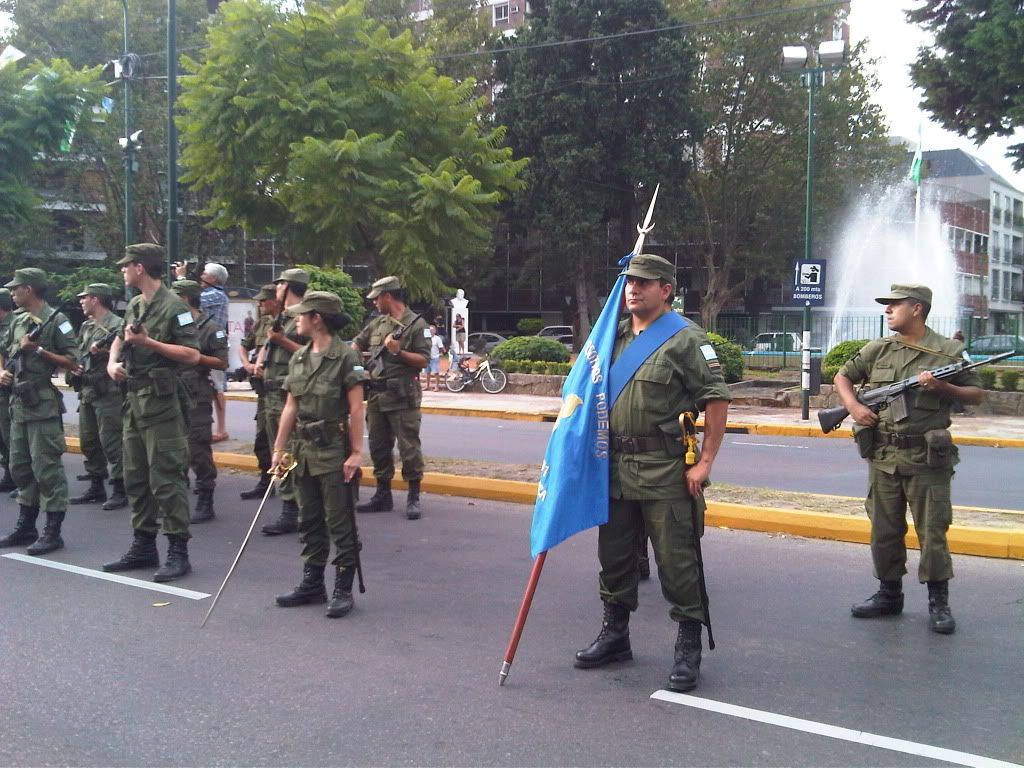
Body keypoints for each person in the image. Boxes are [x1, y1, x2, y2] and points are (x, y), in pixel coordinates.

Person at [574, 254, 730, 694]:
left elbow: (716, 400)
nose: (633, 290)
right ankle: (615, 634)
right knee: (615, 558)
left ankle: (687, 646)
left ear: (666, 290)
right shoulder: (613, 338)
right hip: (616, 469)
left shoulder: (686, 340)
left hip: (666, 470)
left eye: (644, 283)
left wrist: (705, 463)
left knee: (677, 562)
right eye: (628, 282)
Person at [834, 283, 984, 635]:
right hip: (884, 456)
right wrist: (854, 406)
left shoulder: (947, 352)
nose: (887, 311)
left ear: (916, 309)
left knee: (932, 532)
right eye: (886, 306)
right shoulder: (878, 350)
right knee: (884, 530)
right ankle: (889, 594)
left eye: (894, 305)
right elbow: (843, 376)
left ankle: (938, 601)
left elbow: (976, 394)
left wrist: (943, 388)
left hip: (927, 459)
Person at [103, 243, 200, 583]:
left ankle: (178, 552)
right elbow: (120, 338)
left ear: (140, 267)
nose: (123, 271)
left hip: (161, 405)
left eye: (126, 266)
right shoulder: (134, 304)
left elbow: (192, 355)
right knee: (136, 477)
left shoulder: (176, 307)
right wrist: (113, 361)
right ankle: (144, 546)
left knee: (167, 478)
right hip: (134, 402)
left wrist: (151, 344)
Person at [272, 291, 365, 618]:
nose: (296, 318)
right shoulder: (298, 358)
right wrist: (279, 448)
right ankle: (312, 584)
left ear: (318, 318)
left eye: (302, 314)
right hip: (303, 450)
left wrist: (356, 453)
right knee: (308, 519)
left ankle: (342, 589)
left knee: (339, 520)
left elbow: (356, 409)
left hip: (333, 451)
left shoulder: (345, 357)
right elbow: (290, 406)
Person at [0, 269, 78, 554]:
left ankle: (52, 531)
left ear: (29, 289)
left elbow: (73, 360)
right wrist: (2, 372)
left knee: (47, 469)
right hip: (17, 403)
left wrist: (40, 351)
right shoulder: (18, 321)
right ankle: (26, 525)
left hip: (42, 404)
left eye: (15, 288)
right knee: (20, 466)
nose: (12, 293)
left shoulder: (57, 321)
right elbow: (5, 350)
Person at [352, 276, 430, 520]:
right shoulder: (378, 324)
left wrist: (400, 352)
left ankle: (413, 497)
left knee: (408, 447)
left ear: (387, 296)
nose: (374, 302)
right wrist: (358, 367)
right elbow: (356, 343)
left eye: (376, 297)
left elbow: (424, 360)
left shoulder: (417, 325)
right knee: (378, 446)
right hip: (377, 395)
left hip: (403, 395)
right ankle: (382, 494)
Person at [255, 268, 309, 535]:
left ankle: (294, 510)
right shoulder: (282, 317)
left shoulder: (303, 316)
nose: (276, 289)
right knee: (279, 450)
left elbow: (313, 354)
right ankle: (291, 507)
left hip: (291, 395)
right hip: (272, 394)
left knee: (289, 452)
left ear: (288, 286)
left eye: (279, 285)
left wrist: (282, 341)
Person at [173, 279, 229, 523]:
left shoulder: (211, 328)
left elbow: (221, 362)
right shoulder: (175, 325)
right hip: (174, 391)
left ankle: (206, 498)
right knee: (175, 446)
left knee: (198, 447)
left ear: (186, 298)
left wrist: (196, 358)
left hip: (196, 393)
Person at [69, 283, 127, 510]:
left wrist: (103, 352)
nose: (81, 302)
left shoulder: (117, 325)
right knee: (89, 441)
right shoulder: (86, 326)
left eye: (85, 298)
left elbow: (126, 354)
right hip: (88, 391)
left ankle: (120, 488)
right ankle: (96, 485)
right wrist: (76, 367)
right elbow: (80, 354)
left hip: (109, 392)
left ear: (96, 299)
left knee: (111, 441)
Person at [174, 260, 230, 441]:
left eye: (204, 274)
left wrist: (182, 278)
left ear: (213, 278)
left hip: (213, 345)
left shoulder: (216, 294)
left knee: (217, 388)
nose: (201, 277)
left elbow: (190, 299)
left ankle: (221, 429)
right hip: (202, 341)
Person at [238, 285, 279, 499]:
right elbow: (244, 345)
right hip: (264, 392)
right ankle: (265, 481)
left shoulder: (289, 322)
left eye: (264, 300)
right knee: (261, 438)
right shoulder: (261, 323)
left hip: (282, 390)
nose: (260, 304)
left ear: (275, 300)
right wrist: (247, 364)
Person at [0, 288, 16, 492]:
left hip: (10, 390)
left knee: (10, 435)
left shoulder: (14, 324)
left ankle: (16, 476)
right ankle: (8, 473)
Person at [423, 324, 445, 392]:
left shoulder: (437, 338)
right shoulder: (425, 338)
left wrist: (442, 353)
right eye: (430, 330)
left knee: (436, 372)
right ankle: (427, 386)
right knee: (427, 372)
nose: (431, 331)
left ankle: (437, 387)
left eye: (432, 330)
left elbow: (441, 347)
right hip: (427, 357)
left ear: (435, 331)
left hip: (435, 357)